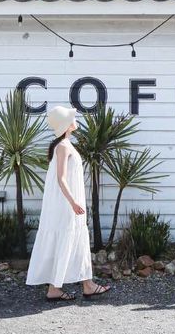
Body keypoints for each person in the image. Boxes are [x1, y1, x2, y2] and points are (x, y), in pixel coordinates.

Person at [26, 105, 112, 302]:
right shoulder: (63, 147)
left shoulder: (65, 144)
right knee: (68, 239)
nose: (76, 119)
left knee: (73, 240)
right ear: (66, 124)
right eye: (72, 117)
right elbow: (61, 178)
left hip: (69, 203)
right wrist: (73, 202)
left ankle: (82, 285)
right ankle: (61, 288)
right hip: (66, 205)